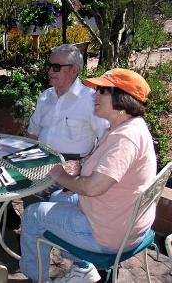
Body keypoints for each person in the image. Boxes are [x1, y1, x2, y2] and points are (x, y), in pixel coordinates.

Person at [20, 68, 156, 283]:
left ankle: (36, 278)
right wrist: (82, 165)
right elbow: (110, 169)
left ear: (122, 99)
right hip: (124, 220)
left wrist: (59, 175)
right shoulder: (127, 128)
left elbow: (93, 188)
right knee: (58, 198)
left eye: (102, 91)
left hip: (108, 234)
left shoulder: (125, 138)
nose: (94, 95)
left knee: (32, 215)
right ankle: (83, 268)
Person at [27, 44, 109, 160]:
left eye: (56, 67)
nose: (50, 71)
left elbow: (106, 139)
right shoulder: (45, 96)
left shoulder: (91, 100)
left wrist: (84, 164)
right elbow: (32, 133)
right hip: (39, 160)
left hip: (72, 167)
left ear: (74, 70)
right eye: (49, 66)